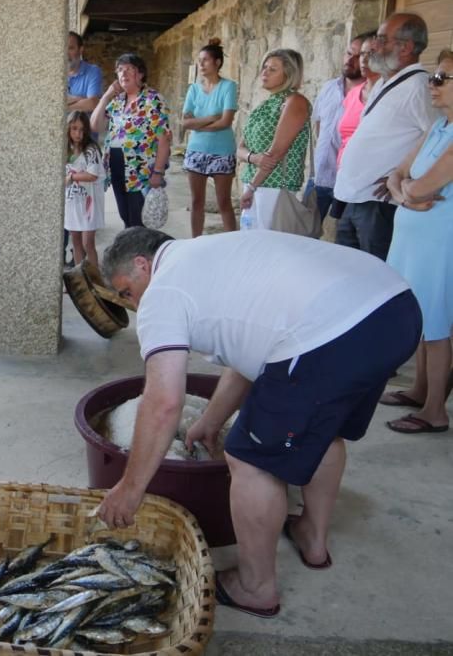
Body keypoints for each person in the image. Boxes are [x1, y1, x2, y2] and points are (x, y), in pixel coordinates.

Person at [97, 226, 420, 617]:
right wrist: (212, 420)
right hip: (394, 309)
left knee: (250, 460)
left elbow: (164, 401)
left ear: (142, 264)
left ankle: (256, 586)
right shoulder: (211, 252)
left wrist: (131, 489)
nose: (132, 305)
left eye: (127, 292)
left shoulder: (162, 292)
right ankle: (313, 539)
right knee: (325, 428)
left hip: (332, 333)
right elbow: (255, 352)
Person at [381, 49, 453, 434]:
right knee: (422, 317)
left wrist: (407, 190)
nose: (433, 85)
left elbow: (425, 183)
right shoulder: (438, 127)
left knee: (437, 323)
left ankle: (435, 410)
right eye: (433, 77)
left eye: (442, 79)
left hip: (440, 241)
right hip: (415, 236)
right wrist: (405, 192)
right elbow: (398, 174)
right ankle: (420, 388)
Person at [333, 12, 436, 260]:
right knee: (348, 273)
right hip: (356, 198)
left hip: (378, 205)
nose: (374, 46)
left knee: (375, 277)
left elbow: (438, 138)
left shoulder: (420, 87)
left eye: (381, 39)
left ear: (406, 47)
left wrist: (403, 178)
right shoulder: (384, 82)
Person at [90, 53, 170, 229]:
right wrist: (106, 97)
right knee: (125, 216)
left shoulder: (152, 99)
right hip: (116, 165)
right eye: (119, 70)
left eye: (129, 69)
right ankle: (132, 254)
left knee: (138, 220)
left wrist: (158, 172)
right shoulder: (117, 101)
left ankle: (141, 254)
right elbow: (95, 125)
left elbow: (164, 138)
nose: (123, 74)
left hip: (140, 169)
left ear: (140, 74)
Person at [237, 49, 311, 220]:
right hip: (254, 183)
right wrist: (253, 158)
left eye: (273, 69)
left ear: (288, 74)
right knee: (252, 242)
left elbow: (276, 153)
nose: (265, 72)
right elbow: (240, 149)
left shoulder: (294, 102)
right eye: (265, 67)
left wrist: (252, 188)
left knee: (267, 242)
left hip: (275, 188)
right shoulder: (266, 104)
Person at [181, 38, 239, 236]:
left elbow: (225, 122)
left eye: (205, 60)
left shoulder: (229, 87)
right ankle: (195, 241)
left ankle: (233, 242)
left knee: (224, 202)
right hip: (196, 150)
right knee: (197, 202)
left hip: (222, 152)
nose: (201, 64)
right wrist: (211, 119)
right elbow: (185, 122)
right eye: (199, 60)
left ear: (217, 63)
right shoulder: (194, 89)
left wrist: (198, 124)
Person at [308, 35, 364, 221]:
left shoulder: (372, 94)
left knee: (346, 239)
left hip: (351, 180)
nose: (350, 60)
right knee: (305, 232)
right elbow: (318, 123)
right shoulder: (329, 88)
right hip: (321, 176)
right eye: (349, 53)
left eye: (358, 56)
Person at [64, 111, 104, 266]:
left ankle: (94, 280)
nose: (78, 134)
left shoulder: (91, 150)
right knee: (76, 242)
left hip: (89, 203)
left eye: (82, 130)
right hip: (73, 202)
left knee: (88, 243)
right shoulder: (66, 148)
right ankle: (80, 278)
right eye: (74, 128)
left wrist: (72, 177)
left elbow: (92, 175)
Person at [335, 33, 381, 168]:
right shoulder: (353, 94)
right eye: (362, 53)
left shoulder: (390, 94)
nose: (364, 59)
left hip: (371, 174)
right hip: (343, 174)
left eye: (372, 54)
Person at [67, 31, 103, 113]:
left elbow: (93, 103)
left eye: (71, 48)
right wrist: (81, 100)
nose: (66, 53)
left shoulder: (92, 71)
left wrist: (62, 107)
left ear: (80, 50)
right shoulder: (54, 75)